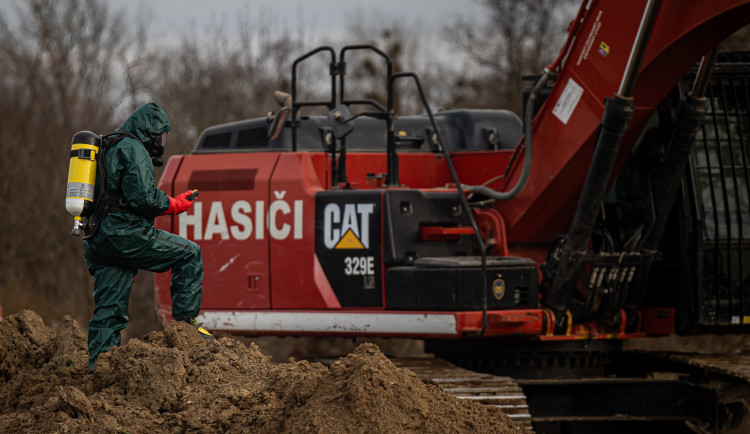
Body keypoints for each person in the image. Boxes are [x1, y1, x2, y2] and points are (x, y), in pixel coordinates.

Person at [83, 102, 211, 373]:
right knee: (189, 253)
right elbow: (143, 199)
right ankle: (186, 328)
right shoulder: (134, 149)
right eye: (161, 135)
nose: (161, 142)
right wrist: (175, 203)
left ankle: (98, 370)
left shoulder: (106, 145)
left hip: (98, 241)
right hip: (127, 236)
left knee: (108, 312)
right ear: (150, 131)